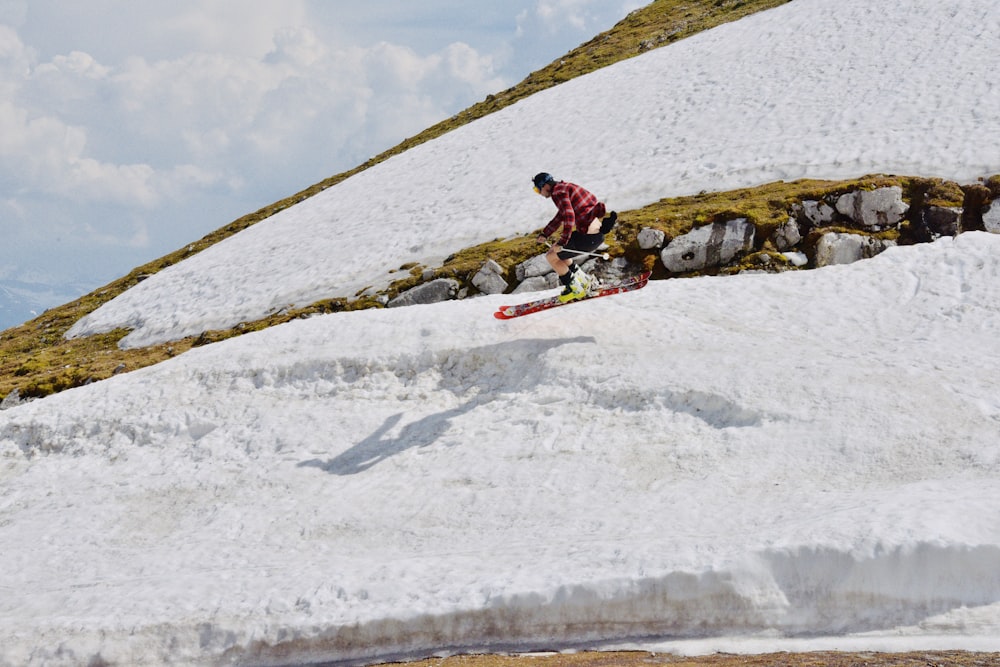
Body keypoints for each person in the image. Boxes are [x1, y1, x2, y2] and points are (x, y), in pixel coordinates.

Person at [532, 172, 617, 302]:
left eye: (538, 190)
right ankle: (584, 282)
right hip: (595, 235)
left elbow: (568, 216)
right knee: (557, 253)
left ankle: (575, 289)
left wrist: (563, 241)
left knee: (551, 257)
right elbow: (560, 216)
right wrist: (546, 233)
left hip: (588, 237)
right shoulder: (564, 187)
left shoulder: (558, 193)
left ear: (545, 186)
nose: (540, 194)